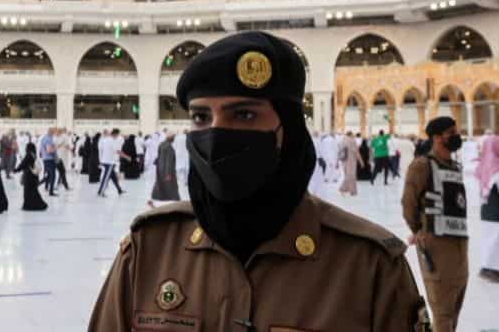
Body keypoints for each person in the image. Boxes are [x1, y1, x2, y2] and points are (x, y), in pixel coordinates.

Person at [89, 31, 428, 331]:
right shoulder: (149, 251)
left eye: (244, 114)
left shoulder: (368, 268)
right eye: (201, 117)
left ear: (290, 131)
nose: (217, 132)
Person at [402, 116, 468, 332]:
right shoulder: (422, 166)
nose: (456, 136)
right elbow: (409, 204)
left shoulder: (454, 166)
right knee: (442, 312)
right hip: (436, 245)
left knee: (455, 307)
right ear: (437, 137)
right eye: (451, 133)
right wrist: (419, 232)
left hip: (459, 245)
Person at [475, 135, 499, 283]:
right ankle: (490, 269)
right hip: (495, 214)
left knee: (490, 241)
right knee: (494, 242)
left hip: (487, 212)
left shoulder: (485, 166)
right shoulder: (497, 169)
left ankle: (489, 268)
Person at [148, 133, 179, 208]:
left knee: (159, 184)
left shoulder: (161, 144)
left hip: (160, 168)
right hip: (167, 170)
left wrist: (157, 164)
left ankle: (153, 198)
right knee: (172, 186)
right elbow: (169, 161)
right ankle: (176, 200)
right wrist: (168, 173)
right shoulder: (169, 147)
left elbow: (158, 156)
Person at [14, 142, 47, 211]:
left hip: (29, 177)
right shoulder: (33, 154)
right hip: (34, 176)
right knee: (34, 192)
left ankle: (28, 206)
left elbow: (23, 164)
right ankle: (40, 204)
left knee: (28, 192)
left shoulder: (28, 155)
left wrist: (16, 170)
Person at [97, 129, 127, 197]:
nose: (118, 136)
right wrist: (127, 157)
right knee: (106, 178)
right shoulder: (112, 141)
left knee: (114, 178)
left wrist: (101, 160)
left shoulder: (105, 140)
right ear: (115, 134)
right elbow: (118, 151)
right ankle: (101, 192)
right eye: (118, 134)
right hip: (109, 162)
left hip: (107, 161)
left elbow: (101, 150)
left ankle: (119, 190)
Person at [338, 130, 364, 196]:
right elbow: (356, 152)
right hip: (351, 161)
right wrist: (361, 161)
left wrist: (337, 162)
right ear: (351, 135)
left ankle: (350, 190)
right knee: (351, 176)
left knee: (348, 175)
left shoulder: (342, 141)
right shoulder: (352, 141)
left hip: (344, 161)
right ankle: (345, 189)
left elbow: (339, 152)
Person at [39, 128, 58, 196]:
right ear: (51, 132)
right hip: (49, 159)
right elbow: (49, 150)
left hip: (45, 159)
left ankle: (36, 185)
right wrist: (55, 148)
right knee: (53, 175)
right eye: (54, 132)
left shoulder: (44, 138)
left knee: (48, 175)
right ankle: (51, 192)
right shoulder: (49, 139)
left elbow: (41, 150)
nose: (55, 133)